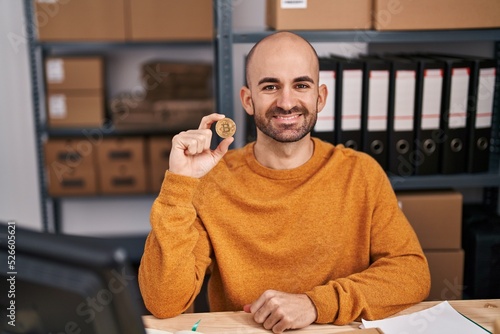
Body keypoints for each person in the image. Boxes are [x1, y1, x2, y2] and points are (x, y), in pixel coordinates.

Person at [138, 31, 430, 333]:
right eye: (270, 86)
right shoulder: (210, 181)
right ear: (248, 100)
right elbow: (164, 301)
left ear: (320, 98)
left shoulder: (362, 173)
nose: (286, 102)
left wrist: (315, 305)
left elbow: (411, 273)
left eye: (300, 85)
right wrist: (179, 184)